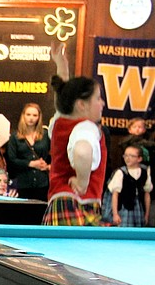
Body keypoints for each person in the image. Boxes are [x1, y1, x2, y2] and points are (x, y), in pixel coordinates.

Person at [42, 75, 107, 226]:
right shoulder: (87, 127)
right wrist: (82, 182)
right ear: (81, 105)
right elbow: (82, 151)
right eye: (98, 98)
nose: (102, 103)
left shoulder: (58, 124)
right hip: (80, 206)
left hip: (58, 203)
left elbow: (63, 98)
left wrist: (61, 64)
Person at [3, 102, 50, 201]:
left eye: (34, 115)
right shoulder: (15, 137)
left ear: (39, 117)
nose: (31, 118)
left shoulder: (45, 135)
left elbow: (55, 155)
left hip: (42, 183)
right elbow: (11, 159)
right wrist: (30, 163)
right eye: (28, 114)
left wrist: (48, 166)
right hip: (22, 183)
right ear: (23, 116)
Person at [106, 144, 152, 227]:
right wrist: (115, 214)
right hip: (124, 208)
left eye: (131, 156)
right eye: (125, 155)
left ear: (139, 158)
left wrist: (147, 214)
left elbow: (147, 194)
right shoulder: (121, 172)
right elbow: (115, 194)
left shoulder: (144, 172)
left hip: (138, 208)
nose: (127, 158)